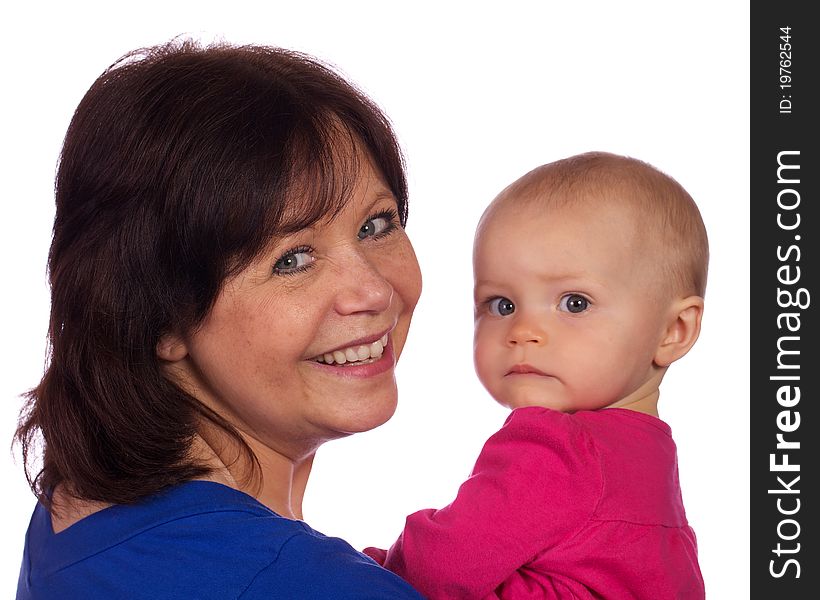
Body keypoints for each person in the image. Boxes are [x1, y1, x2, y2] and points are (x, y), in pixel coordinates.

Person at [15, 39, 425, 599]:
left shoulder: (73, 514)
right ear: (158, 313)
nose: (375, 292)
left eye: (376, 225)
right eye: (293, 260)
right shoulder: (304, 583)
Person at [365, 151, 708, 599]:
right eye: (501, 305)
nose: (523, 331)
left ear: (673, 330)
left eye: (575, 303)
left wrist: (366, 567)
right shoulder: (648, 462)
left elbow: (439, 566)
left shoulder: (556, 447)